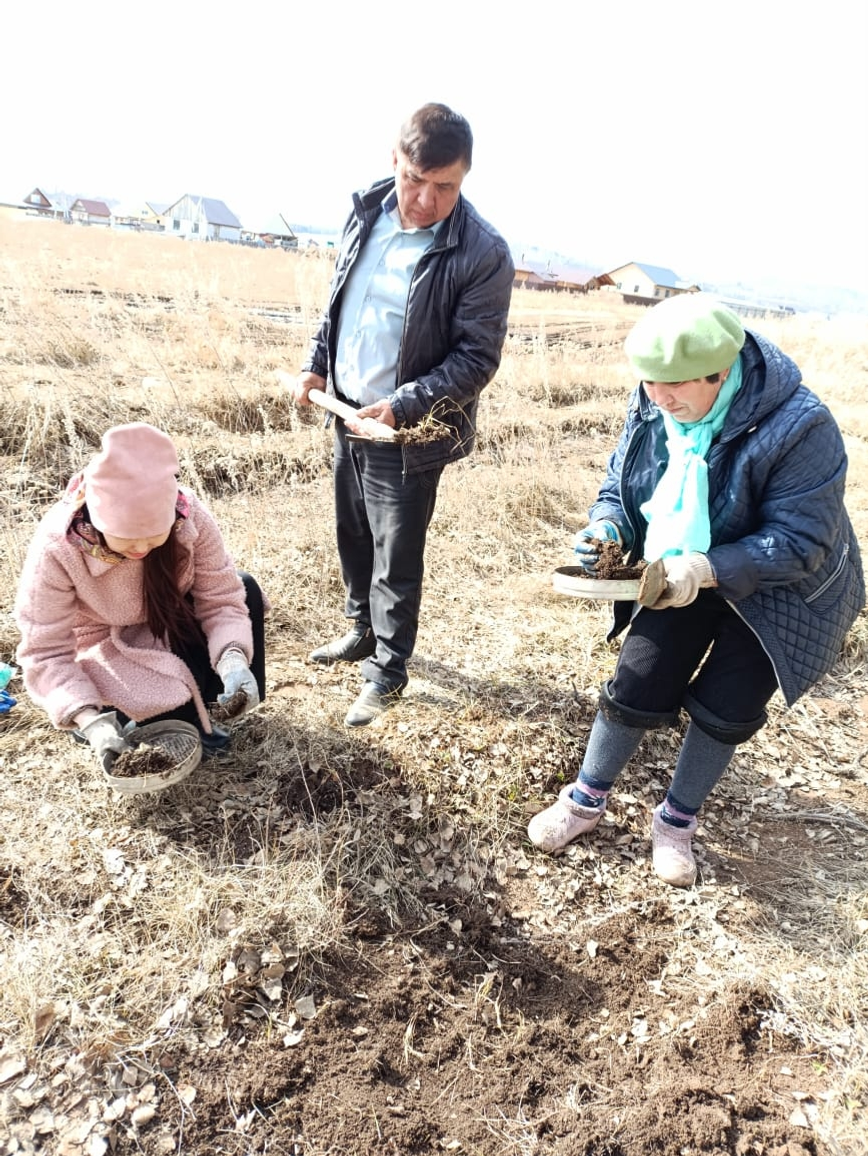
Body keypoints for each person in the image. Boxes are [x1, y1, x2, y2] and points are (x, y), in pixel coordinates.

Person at [529, 293, 864, 886]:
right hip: (682, 556)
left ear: (723, 371)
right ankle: (583, 801)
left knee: (727, 704)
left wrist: (707, 570)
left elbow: (801, 540)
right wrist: (609, 524)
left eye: (675, 386)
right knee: (639, 674)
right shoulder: (658, 399)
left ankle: (676, 823)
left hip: (783, 586)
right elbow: (623, 480)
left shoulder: (801, 426)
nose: (660, 399)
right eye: (651, 385)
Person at [290, 102, 514, 728]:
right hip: (345, 410)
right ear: (395, 161)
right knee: (352, 531)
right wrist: (316, 365)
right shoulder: (365, 213)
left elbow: (476, 357)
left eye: (445, 186)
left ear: (464, 179)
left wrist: (405, 405)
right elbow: (340, 306)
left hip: (407, 429)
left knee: (396, 550)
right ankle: (360, 629)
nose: (425, 199)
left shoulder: (482, 251)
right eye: (416, 180)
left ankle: (387, 672)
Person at [14, 423, 266, 767]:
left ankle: (212, 702)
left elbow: (220, 597)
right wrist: (89, 719)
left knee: (245, 586)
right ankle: (112, 713)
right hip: (104, 639)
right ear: (98, 518)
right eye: (128, 539)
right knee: (156, 724)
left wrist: (233, 660)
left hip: (164, 618)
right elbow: (46, 651)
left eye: (153, 536)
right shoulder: (58, 545)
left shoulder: (188, 516)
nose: (143, 549)